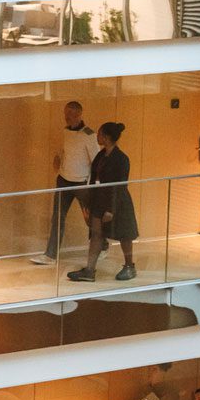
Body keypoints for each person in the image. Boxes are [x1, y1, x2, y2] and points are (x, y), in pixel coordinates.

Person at [68, 121, 139, 283]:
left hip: (118, 202)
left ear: (106, 137)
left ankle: (129, 266)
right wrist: (89, 205)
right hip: (99, 200)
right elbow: (94, 180)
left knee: (125, 235)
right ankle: (89, 270)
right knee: (96, 235)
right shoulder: (100, 155)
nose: (97, 137)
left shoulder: (122, 159)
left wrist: (111, 209)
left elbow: (120, 186)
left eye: (99, 134)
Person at [33, 101, 100, 266]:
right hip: (64, 180)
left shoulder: (89, 135)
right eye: (65, 114)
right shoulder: (65, 131)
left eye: (70, 114)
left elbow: (97, 161)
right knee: (57, 217)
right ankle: (51, 254)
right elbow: (62, 150)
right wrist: (57, 159)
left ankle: (102, 245)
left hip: (82, 183)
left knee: (90, 217)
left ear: (79, 114)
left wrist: (94, 184)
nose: (66, 117)